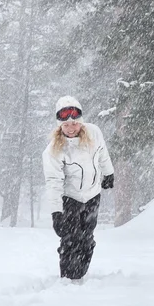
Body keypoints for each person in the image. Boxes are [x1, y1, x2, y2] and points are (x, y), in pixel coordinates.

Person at [42, 96, 114, 280]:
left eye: (74, 123)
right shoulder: (54, 151)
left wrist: (108, 173)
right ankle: (68, 279)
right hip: (70, 198)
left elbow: (103, 153)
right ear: (59, 127)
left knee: (87, 238)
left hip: (92, 196)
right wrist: (56, 212)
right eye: (65, 125)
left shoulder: (94, 133)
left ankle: (80, 275)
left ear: (80, 122)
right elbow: (54, 183)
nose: (71, 128)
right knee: (70, 239)